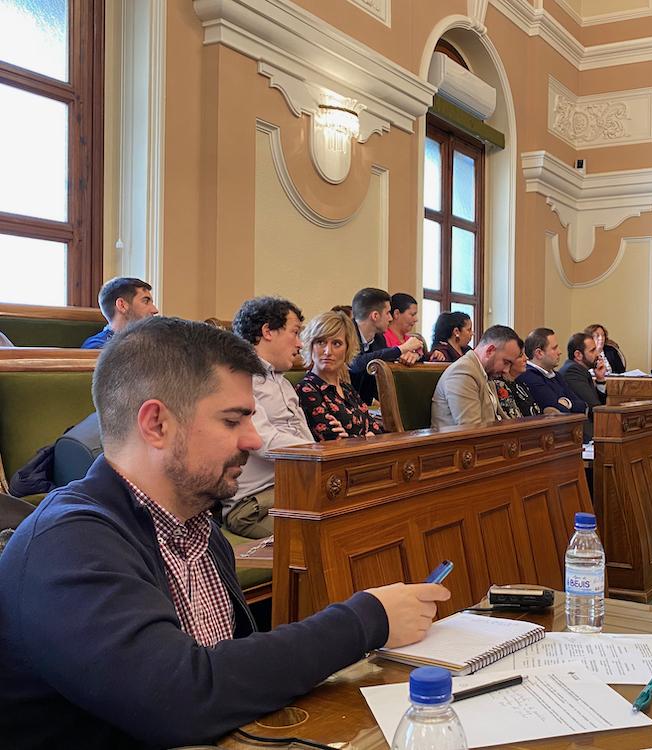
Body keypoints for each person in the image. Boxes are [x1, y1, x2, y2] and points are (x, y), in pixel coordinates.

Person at [0, 316, 450, 749]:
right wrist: (367, 619)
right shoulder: (66, 543)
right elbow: (180, 696)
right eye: (233, 421)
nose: (253, 439)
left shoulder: (198, 525)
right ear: (156, 424)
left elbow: (230, 671)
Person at [226, 296, 313, 538]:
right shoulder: (239, 377)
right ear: (267, 331)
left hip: (293, 490)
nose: (300, 344)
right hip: (255, 504)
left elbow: (304, 436)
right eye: (295, 332)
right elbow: (263, 441)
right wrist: (320, 453)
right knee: (324, 538)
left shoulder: (283, 383)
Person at [296, 310, 384, 440]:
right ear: (310, 346)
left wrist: (353, 438)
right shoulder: (306, 389)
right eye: (321, 342)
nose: (328, 351)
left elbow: (376, 430)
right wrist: (364, 438)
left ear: (347, 349)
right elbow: (331, 439)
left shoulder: (347, 388)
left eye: (336, 343)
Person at [431, 325, 521, 428]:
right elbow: (472, 430)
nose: (506, 370)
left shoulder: (485, 371)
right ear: (490, 351)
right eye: (506, 362)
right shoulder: (463, 372)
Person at [348, 288, 423, 404]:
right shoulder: (346, 333)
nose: (390, 318)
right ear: (375, 316)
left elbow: (384, 362)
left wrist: (414, 355)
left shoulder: (378, 338)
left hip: (362, 406)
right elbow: (356, 364)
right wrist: (402, 349)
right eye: (388, 313)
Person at [516, 327, 587, 421]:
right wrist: (568, 405)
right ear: (539, 353)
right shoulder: (529, 376)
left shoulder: (556, 376)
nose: (559, 352)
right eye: (554, 348)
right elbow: (556, 410)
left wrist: (567, 403)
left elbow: (582, 406)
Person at [81, 276, 159, 349]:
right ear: (122, 305)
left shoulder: (152, 342)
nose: (155, 310)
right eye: (145, 301)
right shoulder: (96, 347)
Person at [559, 332, 608, 432]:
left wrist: (600, 379)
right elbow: (594, 408)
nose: (597, 354)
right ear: (578, 355)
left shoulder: (581, 370)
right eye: (592, 351)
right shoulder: (572, 371)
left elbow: (598, 405)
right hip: (582, 431)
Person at [491, 344, 542, 420]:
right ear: (507, 361)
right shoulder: (500, 385)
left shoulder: (520, 383)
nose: (526, 358)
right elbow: (513, 418)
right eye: (520, 356)